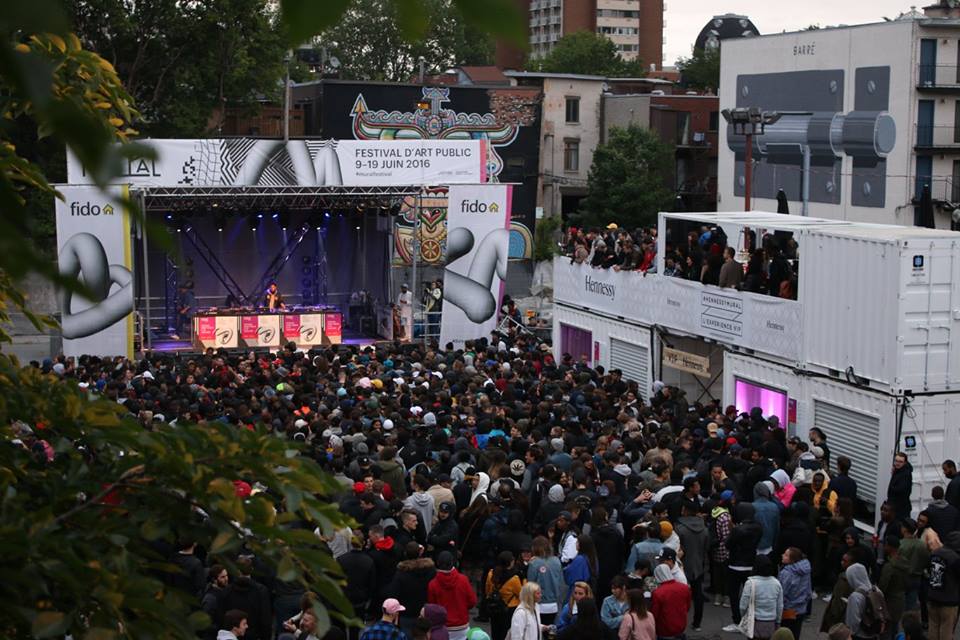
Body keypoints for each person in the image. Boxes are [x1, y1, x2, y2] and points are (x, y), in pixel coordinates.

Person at [675, 499, 709, 629]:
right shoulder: (704, 529)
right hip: (699, 565)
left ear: (686, 511)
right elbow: (706, 547)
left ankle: (679, 622)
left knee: (680, 596)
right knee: (698, 593)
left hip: (683, 565)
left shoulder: (680, 528)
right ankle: (697, 622)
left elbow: (678, 548)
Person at [427, 552, 477, 640]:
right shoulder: (463, 580)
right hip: (462, 626)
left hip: (442, 627)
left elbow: (432, 607)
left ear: (438, 563)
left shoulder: (433, 584)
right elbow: (472, 601)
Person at [737, 555, 783, 640]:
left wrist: (743, 616)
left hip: (754, 621)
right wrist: (778, 622)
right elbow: (779, 606)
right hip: (771, 622)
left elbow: (743, 605)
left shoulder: (750, 583)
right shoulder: (777, 583)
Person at [925, 531, 960, 640]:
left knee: (933, 629)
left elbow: (929, 571)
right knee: (946, 632)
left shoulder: (935, 553)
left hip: (932, 597)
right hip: (948, 602)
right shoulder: (955, 558)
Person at [485, 551, 523, 640]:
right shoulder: (514, 579)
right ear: (510, 562)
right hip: (508, 609)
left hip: (494, 607)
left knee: (495, 632)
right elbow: (521, 595)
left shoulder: (491, 574)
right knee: (506, 634)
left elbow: (487, 590)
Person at [528, 536, 564, 624]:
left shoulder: (534, 563)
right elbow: (561, 582)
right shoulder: (557, 561)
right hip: (555, 604)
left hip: (539, 604)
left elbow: (530, 585)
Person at [778, 547, 812, 640]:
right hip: (801, 608)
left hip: (788, 610)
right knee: (795, 635)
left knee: (785, 635)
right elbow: (808, 590)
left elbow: (782, 593)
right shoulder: (806, 570)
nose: (782, 555)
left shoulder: (786, 573)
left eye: (785, 555)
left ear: (791, 559)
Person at [650, 564, 690, 640]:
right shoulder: (684, 588)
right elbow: (687, 607)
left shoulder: (658, 593)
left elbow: (655, 614)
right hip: (680, 626)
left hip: (664, 630)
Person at [844, 563, 883, 640]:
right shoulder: (877, 590)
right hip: (874, 633)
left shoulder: (855, 596)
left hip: (859, 635)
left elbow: (853, 623)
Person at [887, 453, 914, 524]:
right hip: (896, 508)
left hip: (900, 510)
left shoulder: (905, 474)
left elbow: (900, 490)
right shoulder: (899, 470)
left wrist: (892, 487)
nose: (897, 463)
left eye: (900, 462)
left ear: (905, 463)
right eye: (896, 461)